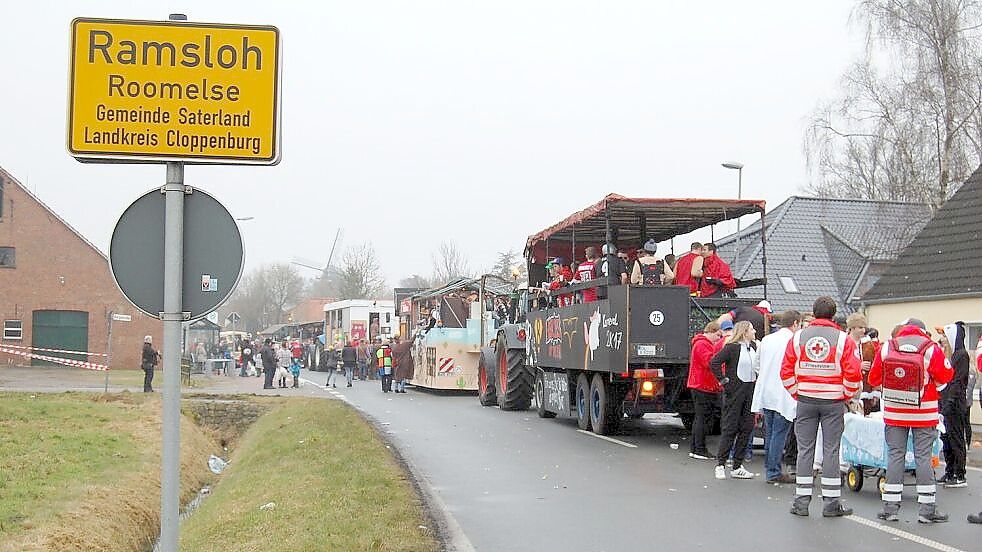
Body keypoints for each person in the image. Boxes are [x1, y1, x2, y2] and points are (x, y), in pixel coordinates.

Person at [781, 296, 861, 518]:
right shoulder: (844, 340)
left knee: (805, 450)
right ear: (834, 315)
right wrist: (844, 394)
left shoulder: (798, 338)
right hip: (833, 402)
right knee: (831, 450)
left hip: (805, 401)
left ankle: (801, 501)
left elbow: (786, 371)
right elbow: (853, 374)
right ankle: (831, 503)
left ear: (813, 313)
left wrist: (798, 392)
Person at [868, 318, 953, 523]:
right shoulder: (930, 348)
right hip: (924, 411)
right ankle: (926, 510)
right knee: (923, 457)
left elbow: (873, 379)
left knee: (895, 455)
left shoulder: (889, 346)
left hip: (895, 411)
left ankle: (890, 508)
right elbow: (946, 376)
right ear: (923, 331)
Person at [752, 310, 800, 484]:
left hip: (767, 392)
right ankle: (773, 471)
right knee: (780, 433)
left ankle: (770, 468)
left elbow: (757, 364)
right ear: (795, 323)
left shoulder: (767, 340)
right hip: (783, 393)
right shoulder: (793, 341)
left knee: (770, 433)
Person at [710, 321, 759, 480]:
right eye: (751, 329)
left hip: (750, 391)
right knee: (730, 428)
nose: (754, 331)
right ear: (744, 332)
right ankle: (721, 464)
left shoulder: (753, 347)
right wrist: (723, 381)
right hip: (735, 391)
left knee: (747, 427)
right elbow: (714, 362)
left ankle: (738, 465)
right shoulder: (731, 348)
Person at [938, 322, 969, 488]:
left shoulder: (961, 355)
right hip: (945, 403)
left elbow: (957, 382)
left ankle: (960, 474)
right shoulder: (948, 355)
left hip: (955, 404)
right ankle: (949, 470)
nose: (942, 340)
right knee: (946, 439)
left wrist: (949, 402)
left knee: (956, 438)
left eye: (945, 336)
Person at [687, 321, 723, 460]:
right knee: (703, 418)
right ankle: (699, 449)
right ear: (712, 332)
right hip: (702, 386)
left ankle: (695, 448)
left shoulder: (701, 343)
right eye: (718, 335)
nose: (719, 339)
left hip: (702, 385)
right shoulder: (702, 344)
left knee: (701, 418)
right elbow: (709, 362)